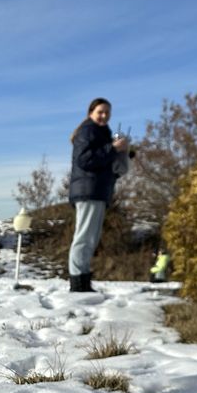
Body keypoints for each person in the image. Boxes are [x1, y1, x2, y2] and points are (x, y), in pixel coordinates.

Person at [68, 97, 130, 293]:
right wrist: (112, 149)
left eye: (107, 113)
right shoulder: (88, 130)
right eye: (100, 112)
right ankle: (78, 283)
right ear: (90, 113)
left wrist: (122, 152)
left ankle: (83, 281)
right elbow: (84, 160)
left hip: (97, 190)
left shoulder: (101, 132)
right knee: (84, 237)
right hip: (88, 190)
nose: (104, 116)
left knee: (91, 239)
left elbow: (101, 158)